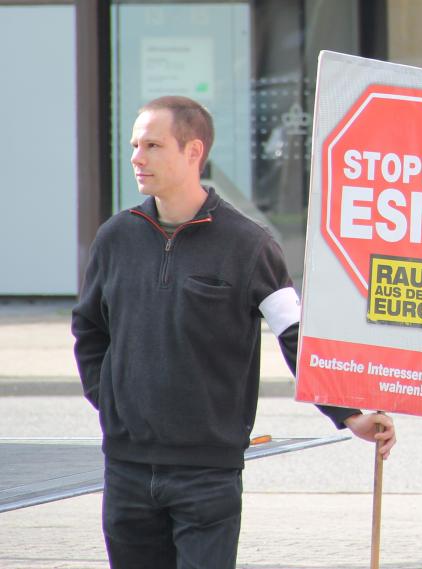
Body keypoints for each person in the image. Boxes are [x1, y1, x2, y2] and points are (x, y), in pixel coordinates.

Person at [72, 95, 396, 569]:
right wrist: (112, 398)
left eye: (153, 145)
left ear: (193, 152)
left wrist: (349, 414)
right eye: (135, 144)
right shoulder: (115, 238)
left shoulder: (249, 244)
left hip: (208, 475)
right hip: (126, 468)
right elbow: (89, 328)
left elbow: (295, 333)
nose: (137, 157)